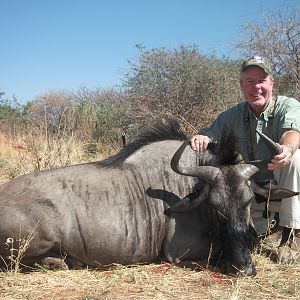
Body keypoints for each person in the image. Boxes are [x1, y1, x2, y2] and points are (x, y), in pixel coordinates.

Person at [190, 56, 300, 263]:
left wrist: (288, 148)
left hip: (288, 183)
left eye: (262, 80)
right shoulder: (232, 115)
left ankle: (293, 235)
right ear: (242, 85)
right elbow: (210, 133)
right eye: (250, 81)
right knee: (250, 239)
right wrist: (201, 137)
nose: (256, 86)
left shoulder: (288, 105)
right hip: (258, 187)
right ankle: (274, 225)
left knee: (296, 160)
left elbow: (293, 132)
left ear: (271, 84)